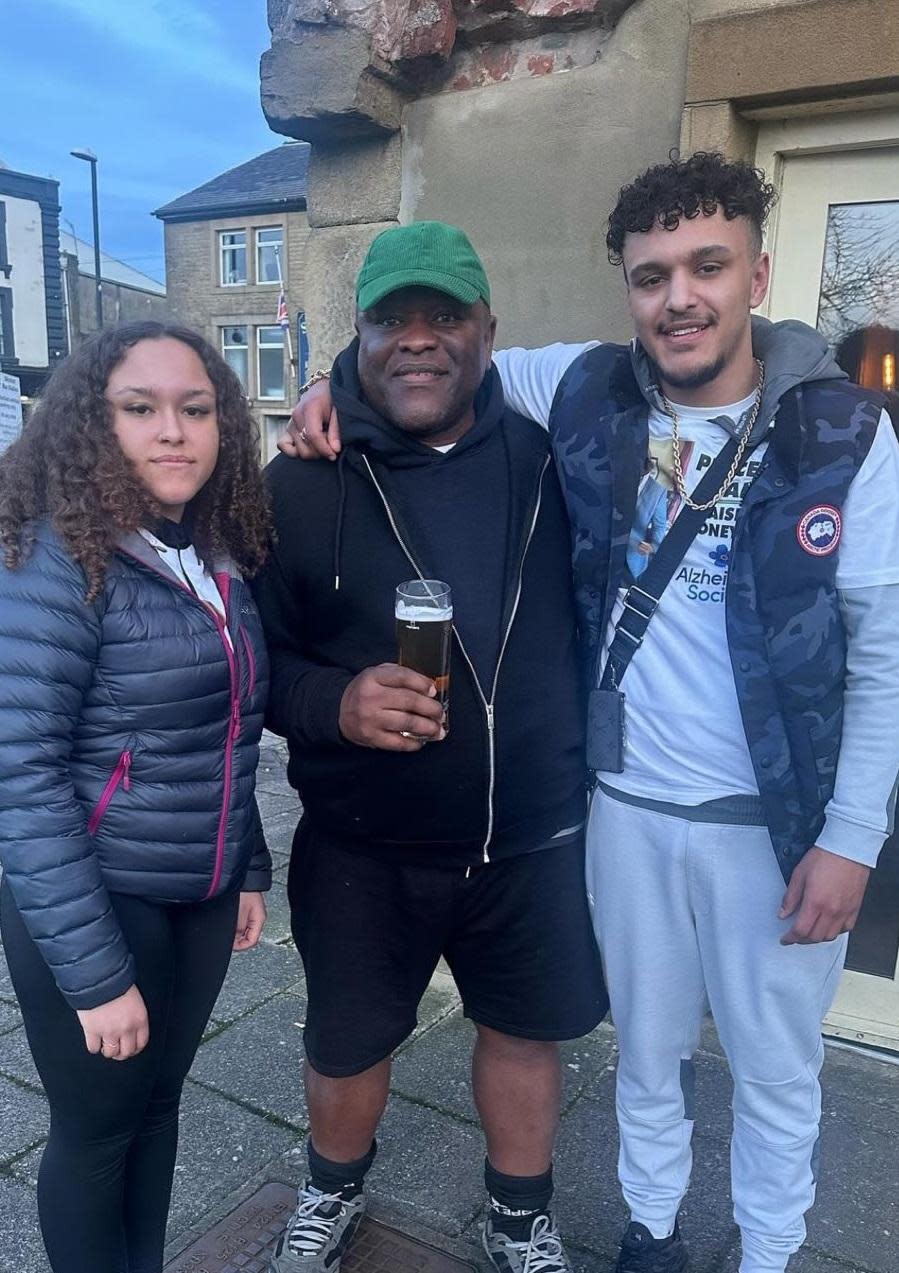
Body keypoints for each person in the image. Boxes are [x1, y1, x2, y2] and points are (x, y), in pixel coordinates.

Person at [287, 156, 899, 1273]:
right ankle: (651, 1231)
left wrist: (851, 840)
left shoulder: (845, 439)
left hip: (776, 825)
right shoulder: (583, 388)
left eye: (706, 266)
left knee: (772, 1065)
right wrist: (330, 384)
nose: (678, 297)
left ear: (755, 271)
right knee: (643, 1053)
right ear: (625, 287)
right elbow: (423, 363)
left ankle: (766, 1251)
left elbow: (884, 660)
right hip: (620, 810)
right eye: (650, 273)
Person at [251, 221, 607, 1273]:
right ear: (356, 336)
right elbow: (251, 664)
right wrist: (334, 701)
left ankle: (518, 1217)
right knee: (347, 1038)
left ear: (484, 331)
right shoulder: (302, 483)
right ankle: (329, 1195)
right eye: (389, 319)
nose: (416, 339)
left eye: (440, 316)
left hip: (531, 835)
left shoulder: (551, 458)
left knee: (524, 1032)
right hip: (366, 843)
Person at [0, 320, 273, 1273]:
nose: (172, 431)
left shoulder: (214, 549)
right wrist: (94, 976)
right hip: (96, 900)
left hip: (194, 892)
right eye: (140, 408)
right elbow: (20, 779)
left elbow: (228, 727)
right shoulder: (55, 556)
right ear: (90, 423)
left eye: (195, 409)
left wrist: (245, 862)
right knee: (99, 1132)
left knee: (160, 1107)